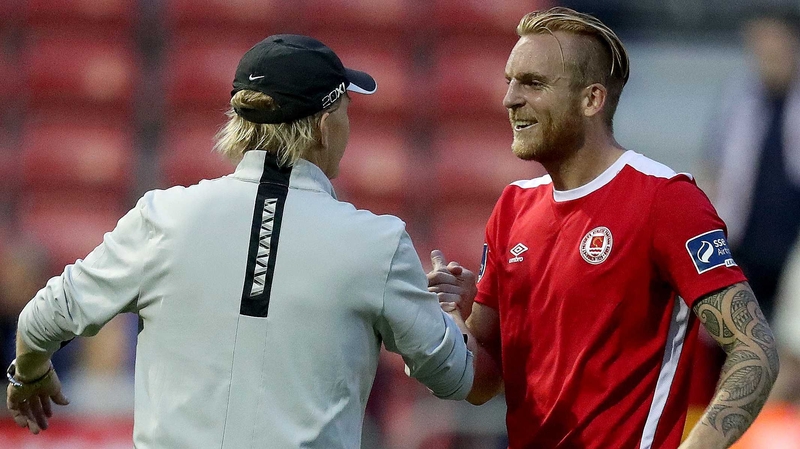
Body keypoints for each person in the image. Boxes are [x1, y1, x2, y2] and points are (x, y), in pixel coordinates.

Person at [6, 34, 475, 448]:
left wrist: (28, 375)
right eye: (345, 111)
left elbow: (42, 318)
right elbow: (456, 377)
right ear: (323, 126)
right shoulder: (379, 243)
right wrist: (452, 312)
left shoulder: (163, 217)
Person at [428, 7, 779, 449]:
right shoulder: (512, 207)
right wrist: (450, 322)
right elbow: (485, 383)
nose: (510, 99)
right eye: (510, 81)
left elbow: (755, 351)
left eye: (533, 83)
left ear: (591, 100)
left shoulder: (665, 199)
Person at [702, 7, 800, 322]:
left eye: (775, 47)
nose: (767, 57)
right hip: (744, 241)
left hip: (792, 247)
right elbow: (713, 166)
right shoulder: (738, 99)